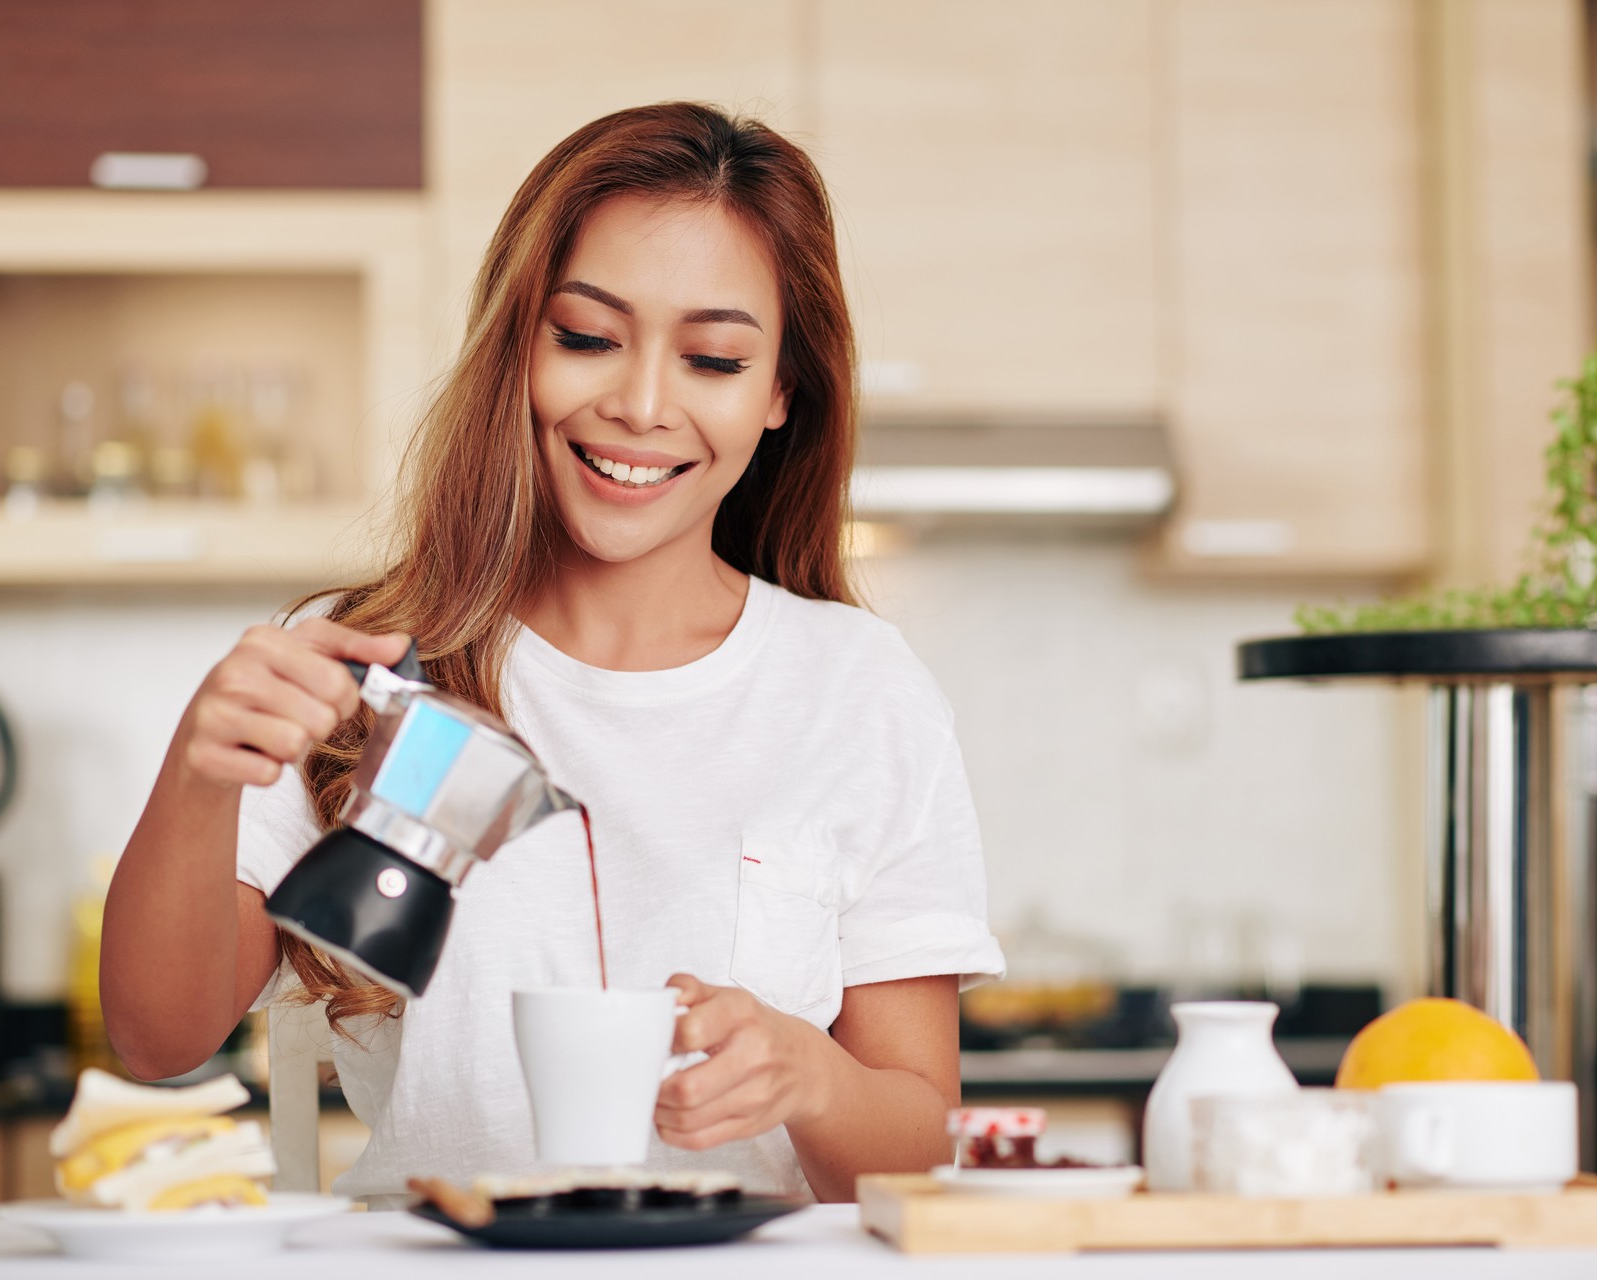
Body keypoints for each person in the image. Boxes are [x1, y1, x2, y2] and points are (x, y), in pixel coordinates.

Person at [99, 102, 1004, 1205]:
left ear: (780, 394)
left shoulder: (858, 689)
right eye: (586, 337)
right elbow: (156, 1038)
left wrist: (811, 1075)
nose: (638, 404)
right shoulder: (379, 667)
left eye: (714, 358)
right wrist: (201, 774)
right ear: (516, 343)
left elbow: (922, 1140)